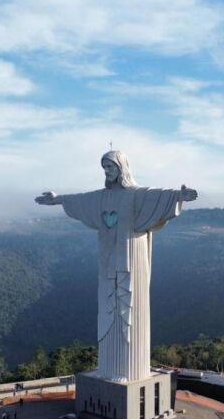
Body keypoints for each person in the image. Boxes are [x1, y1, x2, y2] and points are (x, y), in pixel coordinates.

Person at [35, 151, 197, 382]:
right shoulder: (102, 197)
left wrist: (179, 196)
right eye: (104, 168)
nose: (107, 172)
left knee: (130, 307)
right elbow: (81, 199)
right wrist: (58, 199)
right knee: (109, 306)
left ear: (122, 168)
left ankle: (128, 372)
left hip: (133, 259)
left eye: (110, 167)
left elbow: (157, 195)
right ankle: (108, 370)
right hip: (108, 258)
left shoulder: (136, 195)